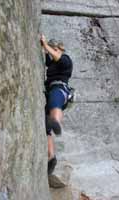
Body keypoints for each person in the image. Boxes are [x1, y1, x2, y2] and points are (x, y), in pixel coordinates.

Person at [40, 34, 73, 175]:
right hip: (51, 90)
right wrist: (44, 47)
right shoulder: (52, 63)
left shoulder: (66, 59)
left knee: (55, 99)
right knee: (46, 129)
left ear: (60, 49)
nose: (53, 51)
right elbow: (48, 59)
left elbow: (57, 57)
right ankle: (51, 156)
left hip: (60, 90)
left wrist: (46, 44)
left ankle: (56, 121)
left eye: (55, 49)